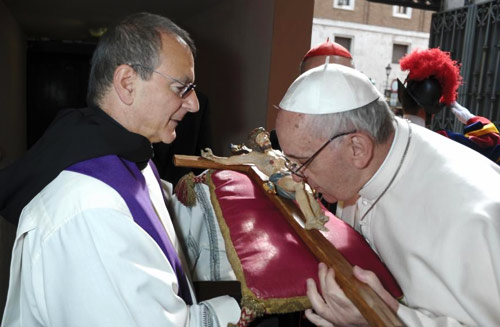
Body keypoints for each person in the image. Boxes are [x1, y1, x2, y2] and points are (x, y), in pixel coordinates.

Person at [0, 12, 240, 326]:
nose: (194, 104)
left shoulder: (126, 154)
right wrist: (244, 308)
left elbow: (166, 221)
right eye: (182, 87)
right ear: (127, 83)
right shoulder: (91, 207)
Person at [275, 63, 500, 326]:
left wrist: (382, 319)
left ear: (357, 148)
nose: (295, 177)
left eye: (302, 163)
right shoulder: (367, 166)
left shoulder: (469, 219)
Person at [201, 127, 329, 230]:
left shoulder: (279, 153)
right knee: (299, 185)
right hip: (279, 180)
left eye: (265, 136)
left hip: (290, 176)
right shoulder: (256, 156)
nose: (265, 139)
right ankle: (310, 221)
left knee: (307, 188)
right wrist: (213, 157)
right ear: (256, 143)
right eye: (260, 138)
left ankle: (318, 217)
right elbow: (230, 161)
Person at [398, 48, 500, 163]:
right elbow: (493, 145)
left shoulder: (387, 134)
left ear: (402, 98)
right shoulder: (442, 141)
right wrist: (470, 117)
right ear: (430, 111)